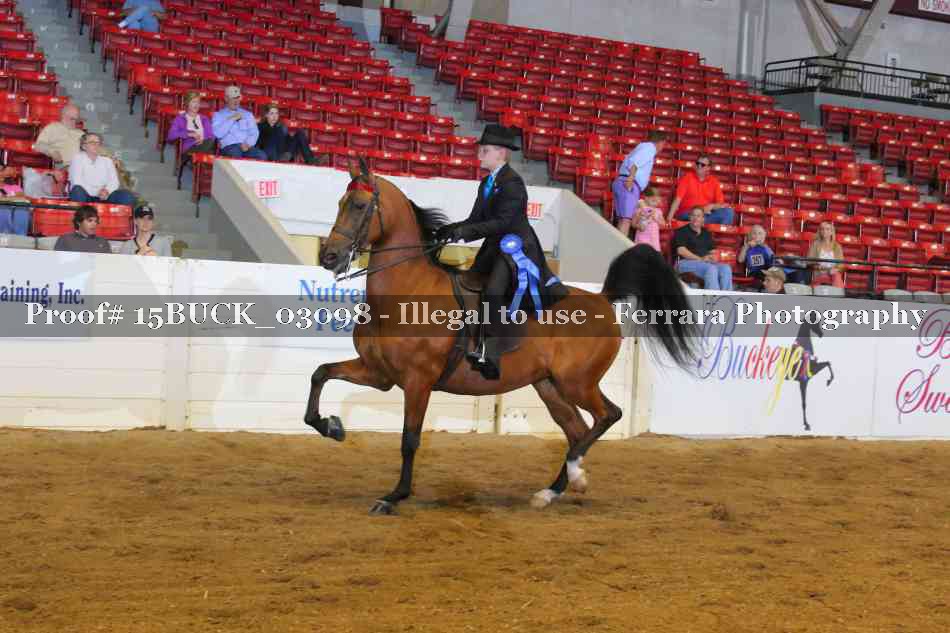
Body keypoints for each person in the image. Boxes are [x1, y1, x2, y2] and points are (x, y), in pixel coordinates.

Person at [434, 124, 565, 380]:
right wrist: (450, 230)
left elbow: (503, 223)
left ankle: (491, 352)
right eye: (481, 150)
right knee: (468, 285)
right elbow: (476, 219)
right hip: (494, 249)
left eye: (485, 150)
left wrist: (465, 232)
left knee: (493, 291)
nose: (479, 154)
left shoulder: (512, 183)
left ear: (501, 153)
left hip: (515, 249)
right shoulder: (486, 183)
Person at [33, 104, 134, 190]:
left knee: (112, 165)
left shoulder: (80, 133)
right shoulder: (52, 128)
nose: (74, 122)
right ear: (63, 116)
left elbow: (95, 147)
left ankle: (123, 194)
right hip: (68, 165)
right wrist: (52, 151)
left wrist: (110, 157)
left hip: (88, 162)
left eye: (76, 119)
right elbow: (39, 145)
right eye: (71, 119)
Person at [612, 130, 668, 239]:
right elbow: (635, 163)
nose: (662, 147)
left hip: (622, 182)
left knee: (622, 219)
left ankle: (616, 245)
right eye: (663, 144)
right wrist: (631, 178)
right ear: (661, 142)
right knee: (626, 220)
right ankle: (620, 248)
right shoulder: (650, 148)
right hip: (629, 184)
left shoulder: (643, 147)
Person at [671, 207, 733, 291]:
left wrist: (713, 257)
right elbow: (681, 251)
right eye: (693, 215)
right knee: (711, 269)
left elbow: (713, 251)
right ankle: (713, 298)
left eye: (698, 216)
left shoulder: (706, 233)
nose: (695, 218)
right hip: (684, 262)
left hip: (704, 262)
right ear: (689, 217)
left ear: (703, 219)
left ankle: (726, 296)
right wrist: (700, 259)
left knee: (726, 268)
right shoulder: (682, 231)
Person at [68, 133, 137, 206]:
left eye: (98, 143)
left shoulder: (107, 161)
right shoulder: (77, 159)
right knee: (77, 190)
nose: (96, 145)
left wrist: (107, 191)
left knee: (126, 196)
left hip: (105, 196)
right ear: (84, 146)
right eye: (92, 142)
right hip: (86, 196)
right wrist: (97, 192)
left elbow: (114, 182)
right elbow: (77, 182)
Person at [666, 155, 735, 225]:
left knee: (728, 212)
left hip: (705, 216)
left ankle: (718, 232)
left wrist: (712, 206)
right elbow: (678, 198)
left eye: (702, 165)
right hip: (688, 214)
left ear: (708, 168)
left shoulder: (714, 182)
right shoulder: (687, 178)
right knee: (696, 216)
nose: (699, 166)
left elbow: (720, 204)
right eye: (697, 163)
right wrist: (669, 218)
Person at [211, 86, 267, 160]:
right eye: (233, 98)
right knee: (236, 153)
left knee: (262, 156)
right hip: (229, 146)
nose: (236, 101)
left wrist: (248, 143)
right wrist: (232, 119)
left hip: (246, 146)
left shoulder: (248, 114)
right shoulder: (218, 115)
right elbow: (217, 134)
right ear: (226, 99)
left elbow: (254, 132)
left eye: (238, 98)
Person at [256, 104, 322, 165]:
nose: (274, 116)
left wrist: (290, 140)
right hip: (270, 152)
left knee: (300, 133)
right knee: (277, 130)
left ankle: (310, 160)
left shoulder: (281, 127)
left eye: (276, 113)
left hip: (284, 152)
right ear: (266, 115)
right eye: (272, 113)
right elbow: (259, 144)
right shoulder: (260, 126)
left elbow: (286, 141)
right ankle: (283, 156)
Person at [166, 91, 215, 158]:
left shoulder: (204, 119)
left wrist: (202, 139)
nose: (196, 105)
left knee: (211, 143)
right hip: (189, 149)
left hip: (204, 146)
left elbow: (211, 135)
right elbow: (171, 136)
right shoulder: (180, 119)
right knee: (210, 149)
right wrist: (189, 134)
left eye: (198, 102)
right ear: (187, 103)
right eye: (193, 102)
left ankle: (201, 160)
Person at [807, 222, 844, 288]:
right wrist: (817, 267)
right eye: (822, 229)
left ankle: (837, 292)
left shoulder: (837, 246)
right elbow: (809, 262)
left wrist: (836, 269)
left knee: (836, 276)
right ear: (820, 231)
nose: (824, 231)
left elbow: (841, 265)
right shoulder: (815, 244)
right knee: (835, 277)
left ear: (831, 232)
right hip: (820, 273)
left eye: (827, 229)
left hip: (833, 273)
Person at [630, 186, 664, 252]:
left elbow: (663, 224)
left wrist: (656, 218)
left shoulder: (658, 211)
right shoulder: (639, 210)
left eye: (656, 201)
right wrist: (639, 226)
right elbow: (633, 224)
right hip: (642, 238)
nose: (655, 203)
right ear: (646, 198)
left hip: (654, 241)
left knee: (652, 255)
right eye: (653, 200)